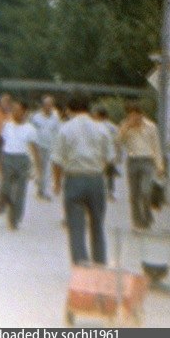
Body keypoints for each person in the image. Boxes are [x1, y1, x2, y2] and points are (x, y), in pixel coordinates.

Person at [52, 91, 115, 265]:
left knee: (75, 226)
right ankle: (99, 263)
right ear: (89, 108)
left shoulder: (65, 129)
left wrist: (57, 183)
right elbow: (110, 158)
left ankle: (81, 264)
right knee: (97, 224)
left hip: (74, 179)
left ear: (69, 109)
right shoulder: (101, 128)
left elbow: (57, 160)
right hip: (96, 179)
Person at [118, 103, 164, 233]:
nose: (133, 118)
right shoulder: (125, 125)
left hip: (147, 160)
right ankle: (137, 221)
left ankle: (147, 217)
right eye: (130, 115)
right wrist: (126, 128)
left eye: (135, 115)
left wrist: (159, 165)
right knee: (134, 193)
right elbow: (118, 142)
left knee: (145, 190)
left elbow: (156, 146)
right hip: (132, 160)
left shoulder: (151, 126)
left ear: (140, 114)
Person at [0, 99, 40, 230]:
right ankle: (2, 203)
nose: (14, 112)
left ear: (24, 112)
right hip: (8, 158)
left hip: (22, 159)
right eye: (13, 110)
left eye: (17, 110)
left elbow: (34, 149)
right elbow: (2, 144)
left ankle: (14, 219)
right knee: (5, 187)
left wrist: (38, 167)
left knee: (20, 191)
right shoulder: (7, 125)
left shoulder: (30, 129)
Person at [30, 95, 60, 201]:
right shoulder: (36, 117)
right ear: (43, 105)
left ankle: (44, 191)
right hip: (38, 146)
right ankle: (40, 187)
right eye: (46, 104)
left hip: (50, 146)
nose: (48, 106)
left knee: (47, 169)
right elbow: (31, 132)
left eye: (50, 104)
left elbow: (57, 132)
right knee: (39, 168)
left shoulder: (55, 118)